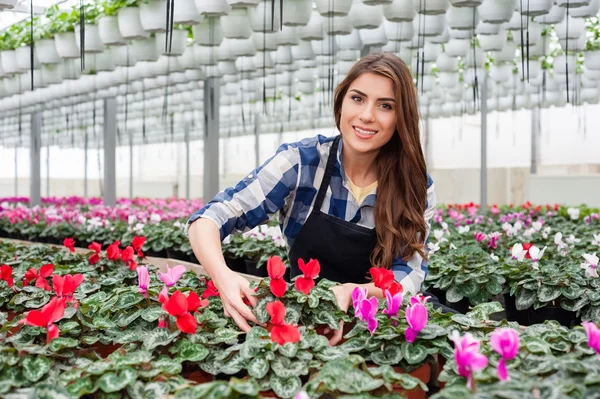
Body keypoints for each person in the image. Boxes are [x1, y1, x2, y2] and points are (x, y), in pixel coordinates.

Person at [187, 52, 438, 345]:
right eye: (357, 98)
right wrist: (223, 276)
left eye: (385, 105)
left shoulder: (414, 187)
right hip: (306, 321)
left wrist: (354, 292)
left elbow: (408, 273)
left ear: (401, 117)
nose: (367, 115)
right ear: (341, 102)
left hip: (379, 325)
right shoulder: (301, 163)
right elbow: (210, 217)